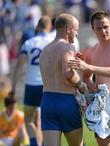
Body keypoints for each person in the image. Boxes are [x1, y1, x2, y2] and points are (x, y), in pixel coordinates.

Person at [68, 11, 110, 146]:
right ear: (93, 29)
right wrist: (88, 83)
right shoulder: (92, 51)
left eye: (105, 26)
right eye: (99, 28)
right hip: (101, 104)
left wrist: (87, 66)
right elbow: (86, 77)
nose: (103, 31)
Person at [39, 13, 88, 146]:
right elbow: (67, 74)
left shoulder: (45, 50)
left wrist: (75, 63)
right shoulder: (68, 47)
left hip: (47, 101)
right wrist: (81, 84)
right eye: (76, 29)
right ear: (68, 29)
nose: (77, 33)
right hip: (66, 101)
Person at [11, 15, 52, 146]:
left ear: (37, 27)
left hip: (31, 85)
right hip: (47, 85)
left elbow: (18, 66)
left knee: (28, 119)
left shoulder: (29, 42)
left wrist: (13, 87)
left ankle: (34, 143)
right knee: (48, 120)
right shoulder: (52, 41)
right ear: (49, 27)